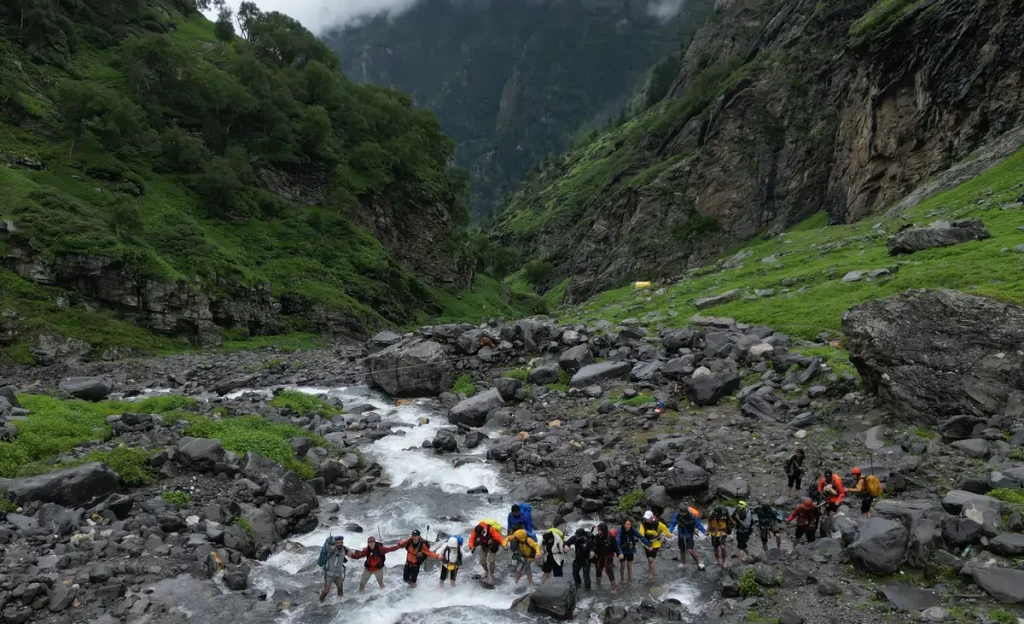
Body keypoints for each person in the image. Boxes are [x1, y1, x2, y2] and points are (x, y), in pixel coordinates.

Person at [668, 505, 706, 570]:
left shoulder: (692, 517)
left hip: (689, 535)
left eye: (683, 513)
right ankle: (683, 563)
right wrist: (669, 532)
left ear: (686, 512)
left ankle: (699, 562)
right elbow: (672, 524)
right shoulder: (677, 516)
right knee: (682, 550)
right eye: (681, 512)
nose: (682, 514)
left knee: (690, 550)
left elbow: (698, 525)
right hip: (681, 535)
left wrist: (704, 532)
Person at [639, 510, 672, 582]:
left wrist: (669, 535)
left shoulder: (658, 524)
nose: (646, 520)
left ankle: (652, 576)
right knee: (649, 559)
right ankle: (650, 571)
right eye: (645, 518)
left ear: (651, 518)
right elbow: (641, 536)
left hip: (656, 543)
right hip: (647, 543)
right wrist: (647, 546)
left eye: (648, 519)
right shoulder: (643, 524)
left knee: (651, 559)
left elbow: (665, 530)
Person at [615, 518, 651, 585]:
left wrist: (648, 544)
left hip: (630, 550)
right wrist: (620, 552)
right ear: (623, 525)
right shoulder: (620, 530)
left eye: (630, 524)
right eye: (627, 524)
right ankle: (622, 579)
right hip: (622, 550)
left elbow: (640, 536)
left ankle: (629, 581)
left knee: (629, 566)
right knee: (622, 566)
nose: (629, 526)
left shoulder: (632, 529)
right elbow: (617, 542)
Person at [318, 535, 351, 602]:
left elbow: (352, 554)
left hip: (338, 574)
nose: (340, 544)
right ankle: (320, 602)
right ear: (335, 543)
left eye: (341, 542)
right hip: (329, 575)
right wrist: (328, 542)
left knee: (340, 589)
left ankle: (340, 602)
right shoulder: (332, 549)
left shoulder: (344, 549)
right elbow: (328, 548)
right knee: (326, 591)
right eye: (338, 543)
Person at [592, 523, 620, 593]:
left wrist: (619, 554)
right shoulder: (597, 537)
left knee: (609, 572)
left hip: (608, 558)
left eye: (599, 530)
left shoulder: (611, 538)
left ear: (603, 530)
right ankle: (598, 585)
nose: (598, 531)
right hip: (600, 557)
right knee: (598, 570)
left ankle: (614, 588)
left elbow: (616, 548)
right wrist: (593, 551)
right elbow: (594, 546)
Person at [566, 527, 595, 591]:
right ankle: (578, 584)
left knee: (586, 576)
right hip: (578, 558)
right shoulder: (575, 538)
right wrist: (566, 546)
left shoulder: (588, 539)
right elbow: (567, 542)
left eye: (578, 535)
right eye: (576, 535)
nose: (577, 536)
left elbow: (593, 546)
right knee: (575, 572)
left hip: (586, 559)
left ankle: (588, 589)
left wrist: (592, 552)